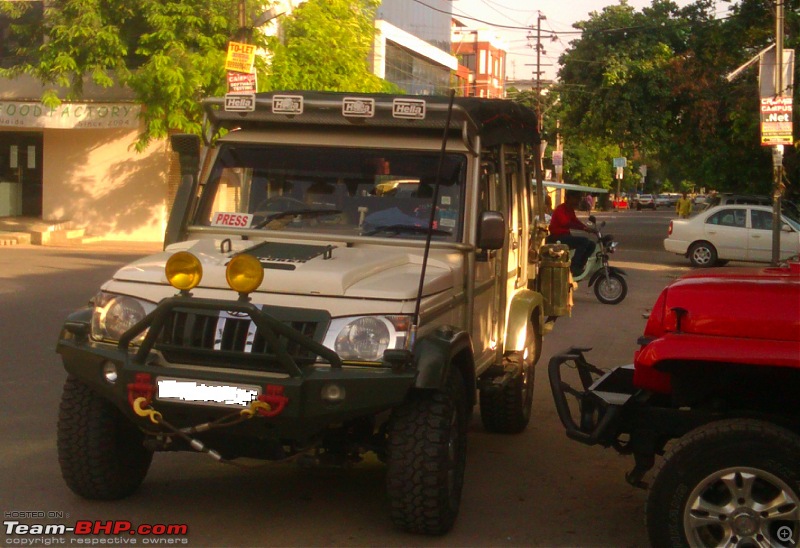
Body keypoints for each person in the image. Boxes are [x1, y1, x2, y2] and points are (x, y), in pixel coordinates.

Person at [547, 190, 596, 277]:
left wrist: (586, 228)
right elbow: (566, 223)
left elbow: (575, 221)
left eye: (578, 199)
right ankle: (574, 267)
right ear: (569, 198)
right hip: (557, 237)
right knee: (583, 241)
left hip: (565, 236)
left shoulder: (570, 210)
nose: (577, 201)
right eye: (576, 198)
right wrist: (583, 228)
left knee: (591, 244)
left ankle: (580, 265)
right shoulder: (560, 209)